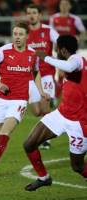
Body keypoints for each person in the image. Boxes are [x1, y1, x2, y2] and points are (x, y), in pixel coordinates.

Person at [23, 35, 87, 191]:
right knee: (29, 144)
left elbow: (70, 67)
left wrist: (46, 58)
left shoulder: (77, 60)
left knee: (77, 166)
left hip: (79, 122)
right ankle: (44, 178)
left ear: (63, 50)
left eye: (57, 49)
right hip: (61, 114)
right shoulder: (66, 64)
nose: (56, 51)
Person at [0, 22, 39, 179]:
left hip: (19, 101)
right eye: (15, 34)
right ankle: (2, 144)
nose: (17, 37)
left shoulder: (33, 54)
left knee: (4, 133)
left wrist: (39, 92)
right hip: (2, 99)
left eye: (20, 34)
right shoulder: (4, 50)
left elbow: (35, 73)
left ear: (27, 36)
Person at [26, 4, 60, 150]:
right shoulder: (24, 32)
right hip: (31, 75)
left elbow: (60, 43)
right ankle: (52, 101)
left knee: (45, 108)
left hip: (46, 74)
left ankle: (46, 140)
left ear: (39, 15)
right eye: (29, 13)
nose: (31, 16)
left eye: (34, 13)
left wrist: (59, 58)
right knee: (36, 111)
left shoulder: (48, 30)